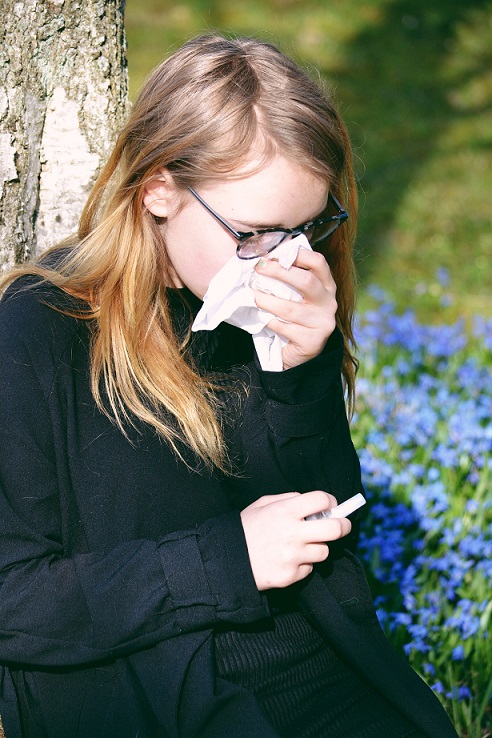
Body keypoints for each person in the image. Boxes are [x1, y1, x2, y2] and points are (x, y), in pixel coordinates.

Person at [0, 34, 458, 738]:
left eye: (309, 229)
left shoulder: (272, 304)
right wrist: (227, 560)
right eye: (254, 233)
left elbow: (330, 523)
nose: (287, 261)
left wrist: (301, 376)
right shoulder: (40, 331)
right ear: (158, 190)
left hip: (304, 664)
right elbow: (16, 602)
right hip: (142, 686)